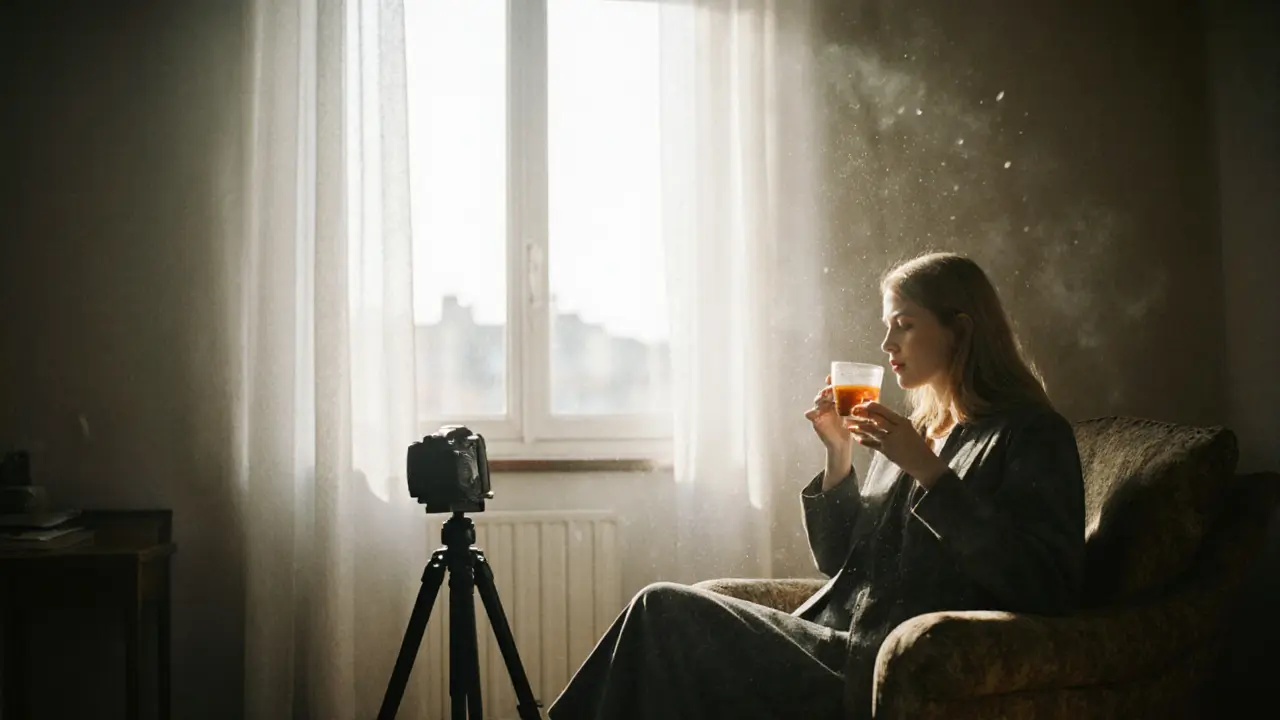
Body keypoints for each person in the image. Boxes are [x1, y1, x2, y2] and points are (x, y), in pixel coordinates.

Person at [547, 252, 1086, 720]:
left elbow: (1045, 585)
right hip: (836, 643)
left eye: (904, 324)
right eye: (887, 325)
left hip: (882, 667)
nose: (886, 342)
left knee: (660, 608)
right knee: (666, 637)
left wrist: (930, 473)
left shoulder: (1029, 434)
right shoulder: (915, 432)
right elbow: (839, 559)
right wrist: (839, 455)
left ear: (960, 331)